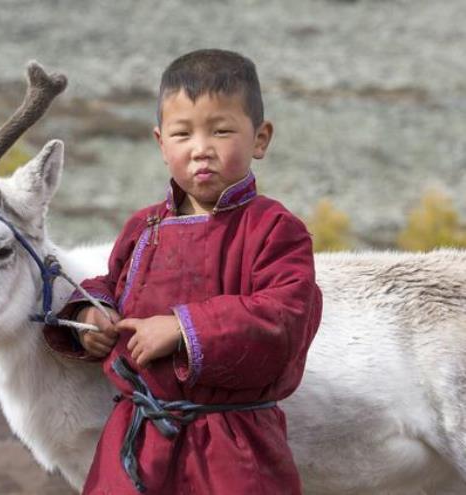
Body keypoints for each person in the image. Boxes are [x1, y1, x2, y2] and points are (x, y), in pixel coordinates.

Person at [43, 48, 323, 494]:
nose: (201, 149)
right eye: (182, 133)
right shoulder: (144, 227)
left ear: (260, 138)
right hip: (137, 444)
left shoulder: (274, 229)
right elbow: (111, 289)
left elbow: (284, 317)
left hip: (233, 448)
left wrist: (182, 328)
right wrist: (91, 318)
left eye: (222, 130)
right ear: (160, 142)